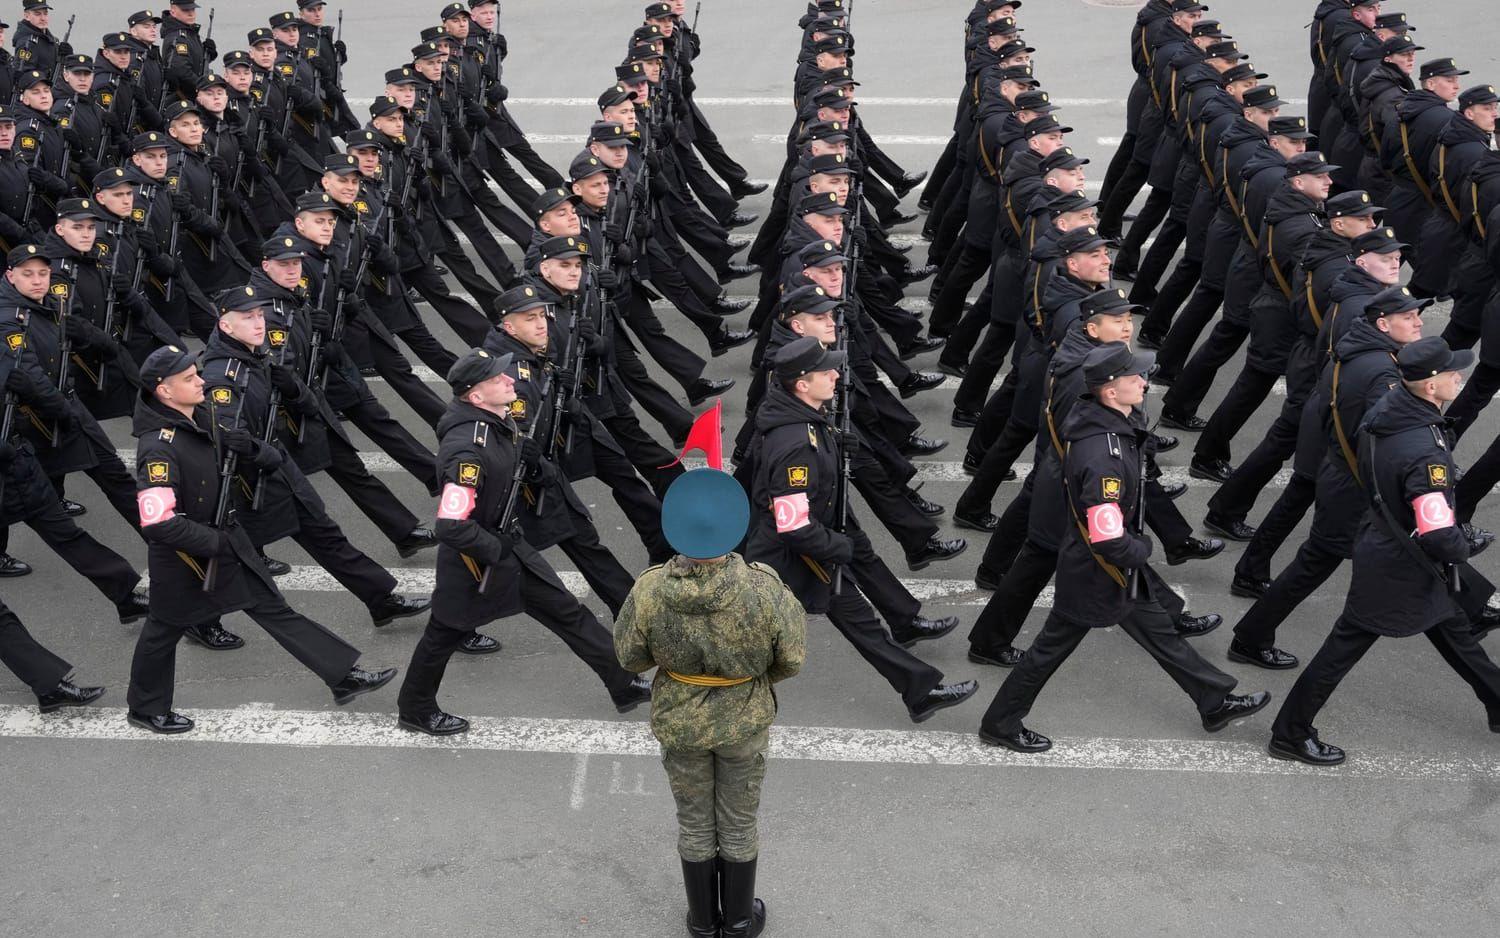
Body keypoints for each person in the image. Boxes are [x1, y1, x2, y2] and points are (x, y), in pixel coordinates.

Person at [978, 342, 1269, 753]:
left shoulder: (1113, 425)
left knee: (1162, 635)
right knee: (1049, 649)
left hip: (1109, 566)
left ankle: (1214, 700)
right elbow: (1106, 531)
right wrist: (1141, 551)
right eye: (1135, 377)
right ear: (1110, 392)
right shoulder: (1103, 454)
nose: (1144, 382)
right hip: (1099, 567)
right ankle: (1000, 722)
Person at [126, 344, 397, 735]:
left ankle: (342, 674)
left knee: (273, 608)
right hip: (185, 558)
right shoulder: (157, 448)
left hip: (225, 539)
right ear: (164, 391)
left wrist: (253, 449)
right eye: (189, 379)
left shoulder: (202, 416)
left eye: (196, 373)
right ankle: (146, 708)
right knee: (163, 629)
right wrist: (216, 544)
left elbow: (244, 455)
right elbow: (159, 523)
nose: (201, 381)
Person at [395, 348, 651, 736]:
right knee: (443, 634)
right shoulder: (467, 451)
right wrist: (495, 550)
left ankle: (622, 683)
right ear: (475, 397)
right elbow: (451, 526)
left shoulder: (499, 421)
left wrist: (531, 463)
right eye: (498, 379)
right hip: (474, 561)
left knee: (567, 610)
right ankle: (414, 708)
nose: (510, 380)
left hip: (508, 545)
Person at [1269, 338, 1500, 765]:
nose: (1459, 377)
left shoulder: (1391, 413)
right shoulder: (1424, 450)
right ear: (1430, 386)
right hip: (1400, 564)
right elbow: (1435, 528)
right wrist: (1462, 547)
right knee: (1345, 645)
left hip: (1393, 549)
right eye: (1452, 372)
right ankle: (1290, 731)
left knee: (1453, 629)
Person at [615, 467, 805, 938]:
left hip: (680, 722)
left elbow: (629, 658)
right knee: (738, 821)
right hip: (744, 719)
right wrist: (749, 678)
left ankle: (702, 922)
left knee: (695, 821)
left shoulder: (651, 588)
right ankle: (740, 921)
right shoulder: (763, 588)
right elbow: (792, 659)